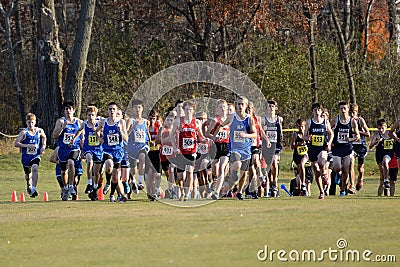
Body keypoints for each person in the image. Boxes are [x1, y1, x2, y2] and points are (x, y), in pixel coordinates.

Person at [212, 96, 259, 200]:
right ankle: (233, 172)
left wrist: (246, 135)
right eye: (238, 104)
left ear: (246, 106)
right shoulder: (232, 117)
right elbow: (221, 126)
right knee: (237, 164)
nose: (240, 106)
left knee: (244, 173)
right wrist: (215, 136)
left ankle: (240, 192)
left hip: (246, 150)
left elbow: (255, 134)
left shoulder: (249, 119)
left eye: (242, 104)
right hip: (234, 149)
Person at [170, 100, 205, 201]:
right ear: (183, 110)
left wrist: (205, 140)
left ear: (193, 111)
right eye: (186, 109)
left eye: (190, 110)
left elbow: (200, 136)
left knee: (190, 172)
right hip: (180, 152)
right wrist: (175, 147)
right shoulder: (178, 121)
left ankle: (186, 194)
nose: (188, 112)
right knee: (181, 176)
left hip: (192, 152)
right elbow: (172, 135)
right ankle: (181, 190)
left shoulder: (197, 122)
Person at [95, 102, 129, 202]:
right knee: (109, 165)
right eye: (110, 109)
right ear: (107, 111)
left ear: (116, 110)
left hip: (118, 151)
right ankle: (108, 182)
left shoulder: (121, 122)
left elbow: (126, 139)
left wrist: (121, 132)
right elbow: (96, 131)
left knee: (115, 176)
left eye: (114, 109)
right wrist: (100, 139)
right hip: (107, 150)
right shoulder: (103, 122)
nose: (112, 111)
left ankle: (112, 194)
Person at [52, 101, 83, 201]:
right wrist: (62, 127)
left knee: (71, 163)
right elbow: (54, 135)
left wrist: (82, 144)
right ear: (64, 111)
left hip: (74, 148)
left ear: (74, 110)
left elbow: (83, 135)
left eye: (70, 109)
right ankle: (65, 187)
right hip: (63, 149)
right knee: (63, 171)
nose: (68, 111)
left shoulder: (79, 122)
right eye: (66, 109)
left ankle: (71, 186)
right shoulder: (60, 121)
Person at [72, 106, 103, 200]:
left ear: (95, 115)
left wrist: (97, 132)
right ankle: (89, 183)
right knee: (89, 161)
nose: (90, 117)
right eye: (89, 115)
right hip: (88, 149)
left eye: (92, 115)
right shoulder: (85, 123)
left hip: (98, 150)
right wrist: (73, 139)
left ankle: (94, 188)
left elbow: (103, 136)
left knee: (97, 172)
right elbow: (79, 130)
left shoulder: (99, 123)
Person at [303, 102, 334, 199]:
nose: (317, 112)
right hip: (312, 149)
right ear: (312, 111)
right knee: (316, 171)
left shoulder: (325, 122)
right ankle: (321, 191)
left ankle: (325, 174)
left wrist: (329, 143)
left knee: (322, 161)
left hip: (322, 148)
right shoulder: (309, 122)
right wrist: (307, 138)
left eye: (318, 110)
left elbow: (331, 134)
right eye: (315, 110)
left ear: (321, 111)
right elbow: (304, 136)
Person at [330, 101, 360, 196]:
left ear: (348, 109)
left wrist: (350, 139)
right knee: (337, 168)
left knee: (346, 169)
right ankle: (338, 175)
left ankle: (343, 189)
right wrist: (330, 141)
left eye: (344, 108)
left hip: (347, 148)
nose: (342, 110)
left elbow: (357, 136)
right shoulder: (336, 120)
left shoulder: (352, 121)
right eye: (341, 109)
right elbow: (328, 130)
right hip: (337, 148)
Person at [14, 113, 47, 198]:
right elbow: (16, 143)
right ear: (26, 123)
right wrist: (28, 146)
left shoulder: (39, 131)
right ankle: (29, 183)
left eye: (32, 122)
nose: (31, 124)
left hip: (35, 155)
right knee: (28, 175)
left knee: (35, 168)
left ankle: (34, 188)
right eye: (29, 122)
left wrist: (43, 146)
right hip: (26, 157)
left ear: (35, 122)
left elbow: (44, 137)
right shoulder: (24, 132)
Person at [205, 99, 230, 199]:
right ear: (217, 109)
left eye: (224, 107)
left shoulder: (230, 120)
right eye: (220, 107)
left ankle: (217, 191)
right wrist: (214, 137)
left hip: (225, 145)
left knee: (222, 166)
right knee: (214, 168)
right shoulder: (215, 120)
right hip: (216, 146)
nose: (223, 109)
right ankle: (215, 180)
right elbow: (207, 133)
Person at [126, 100, 150, 195]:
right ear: (132, 109)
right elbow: (126, 134)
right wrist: (133, 127)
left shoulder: (145, 122)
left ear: (142, 109)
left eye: (139, 107)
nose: (137, 109)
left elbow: (146, 133)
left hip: (142, 146)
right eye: (135, 107)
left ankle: (140, 181)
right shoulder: (130, 121)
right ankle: (133, 181)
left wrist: (150, 140)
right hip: (132, 148)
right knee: (133, 169)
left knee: (142, 157)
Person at [261, 100, 283, 197]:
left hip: (276, 145)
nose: (271, 108)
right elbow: (261, 133)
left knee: (274, 162)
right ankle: (271, 187)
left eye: (273, 106)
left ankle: (274, 183)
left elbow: (281, 132)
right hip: (267, 146)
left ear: (275, 108)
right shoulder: (263, 120)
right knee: (268, 167)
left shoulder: (279, 119)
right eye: (269, 106)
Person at [369, 118, 394, 196]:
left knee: (385, 161)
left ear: (386, 127)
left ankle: (387, 180)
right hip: (379, 155)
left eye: (382, 128)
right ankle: (382, 193)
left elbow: (396, 140)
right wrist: (377, 141)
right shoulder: (376, 135)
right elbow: (370, 146)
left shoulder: (390, 134)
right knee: (382, 176)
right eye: (379, 128)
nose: (381, 130)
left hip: (389, 154)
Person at [349, 104, 370, 191]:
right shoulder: (347, 121)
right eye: (350, 113)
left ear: (356, 112)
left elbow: (368, 133)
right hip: (352, 146)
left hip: (361, 147)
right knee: (351, 163)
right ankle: (352, 185)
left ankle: (360, 179)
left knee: (360, 168)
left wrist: (358, 132)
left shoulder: (360, 120)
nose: (351, 115)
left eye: (353, 113)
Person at [290, 118, 309, 196]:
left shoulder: (307, 134)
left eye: (302, 126)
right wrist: (299, 144)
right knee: (299, 173)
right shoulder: (295, 134)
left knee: (302, 165)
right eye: (299, 127)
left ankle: (304, 185)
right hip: (297, 155)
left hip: (305, 155)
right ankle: (302, 190)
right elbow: (292, 146)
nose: (301, 128)